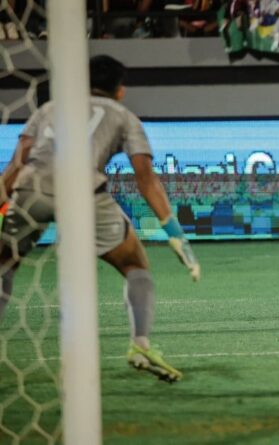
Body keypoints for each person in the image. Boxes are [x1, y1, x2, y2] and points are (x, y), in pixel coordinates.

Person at [0, 56, 201, 382]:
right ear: (120, 91)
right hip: (85, 195)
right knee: (135, 265)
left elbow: (13, 168)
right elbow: (145, 178)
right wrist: (175, 233)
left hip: (31, 190)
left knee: (4, 266)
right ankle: (140, 344)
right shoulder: (124, 116)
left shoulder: (48, 110)